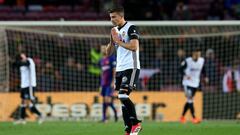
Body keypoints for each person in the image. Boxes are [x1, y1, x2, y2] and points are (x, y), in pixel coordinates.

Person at [106, 6, 142, 135]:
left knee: (122, 95)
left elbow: (134, 46)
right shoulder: (114, 30)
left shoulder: (131, 27)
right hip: (120, 69)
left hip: (131, 67)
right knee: (122, 100)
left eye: (114, 17)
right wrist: (112, 41)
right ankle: (128, 129)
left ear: (121, 16)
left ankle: (136, 124)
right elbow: (108, 53)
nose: (112, 19)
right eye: (110, 17)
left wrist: (119, 41)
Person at [179, 48, 208, 124]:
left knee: (189, 101)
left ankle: (182, 117)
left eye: (199, 54)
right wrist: (185, 75)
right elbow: (180, 69)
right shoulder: (187, 61)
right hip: (187, 83)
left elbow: (203, 69)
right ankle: (194, 118)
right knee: (190, 99)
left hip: (196, 83)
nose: (198, 56)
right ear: (193, 53)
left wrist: (205, 77)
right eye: (197, 54)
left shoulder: (201, 60)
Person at [14, 53, 43, 124]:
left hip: (29, 85)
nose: (24, 56)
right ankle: (22, 119)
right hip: (23, 85)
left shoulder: (29, 60)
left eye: (23, 55)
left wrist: (22, 61)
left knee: (28, 102)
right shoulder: (20, 64)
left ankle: (40, 115)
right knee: (23, 102)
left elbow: (26, 64)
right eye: (22, 56)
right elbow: (15, 65)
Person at [99, 45, 118, 123]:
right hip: (103, 83)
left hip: (109, 83)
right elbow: (102, 73)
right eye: (102, 49)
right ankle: (104, 118)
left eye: (104, 48)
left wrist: (113, 81)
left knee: (107, 99)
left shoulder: (112, 58)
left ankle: (113, 114)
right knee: (105, 101)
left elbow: (114, 70)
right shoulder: (101, 60)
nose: (103, 50)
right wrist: (101, 84)